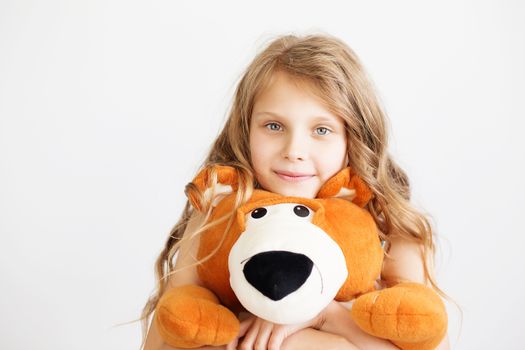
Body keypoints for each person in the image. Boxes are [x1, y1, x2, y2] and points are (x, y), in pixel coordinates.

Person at [140, 33, 451, 350]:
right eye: (274, 126)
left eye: (321, 130)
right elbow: (162, 342)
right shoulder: (217, 217)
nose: (294, 150)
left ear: (353, 136)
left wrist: (318, 318)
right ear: (245, 129)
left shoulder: (389, 227)